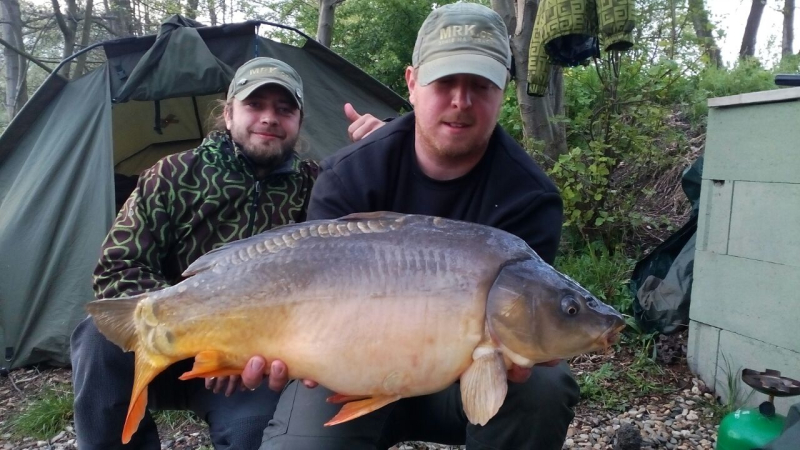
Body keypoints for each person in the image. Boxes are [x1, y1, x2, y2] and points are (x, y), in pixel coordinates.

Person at [241, 3, 580, 449]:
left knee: (543, 386)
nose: (461, 101)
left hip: (460, 382)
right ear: (413, 83)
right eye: (445, 82)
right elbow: (306, 295)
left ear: (502, 90)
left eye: (480, 85)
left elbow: (524, 328)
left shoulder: (529, 197)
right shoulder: (348, 174)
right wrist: (280, 345)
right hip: (346, 370)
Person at [71, 57, 341, 449]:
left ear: (299, 122)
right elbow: (117, 268)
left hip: (246, 368)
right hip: (164, 345)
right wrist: (211, 333)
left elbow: (343, 276)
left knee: (255, 433)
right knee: (97, 337)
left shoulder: (314, 186)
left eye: (285, 109)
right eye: (255, 105)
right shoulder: (173, 175)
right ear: (228, 114)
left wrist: (385, 141)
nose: (269, 118)